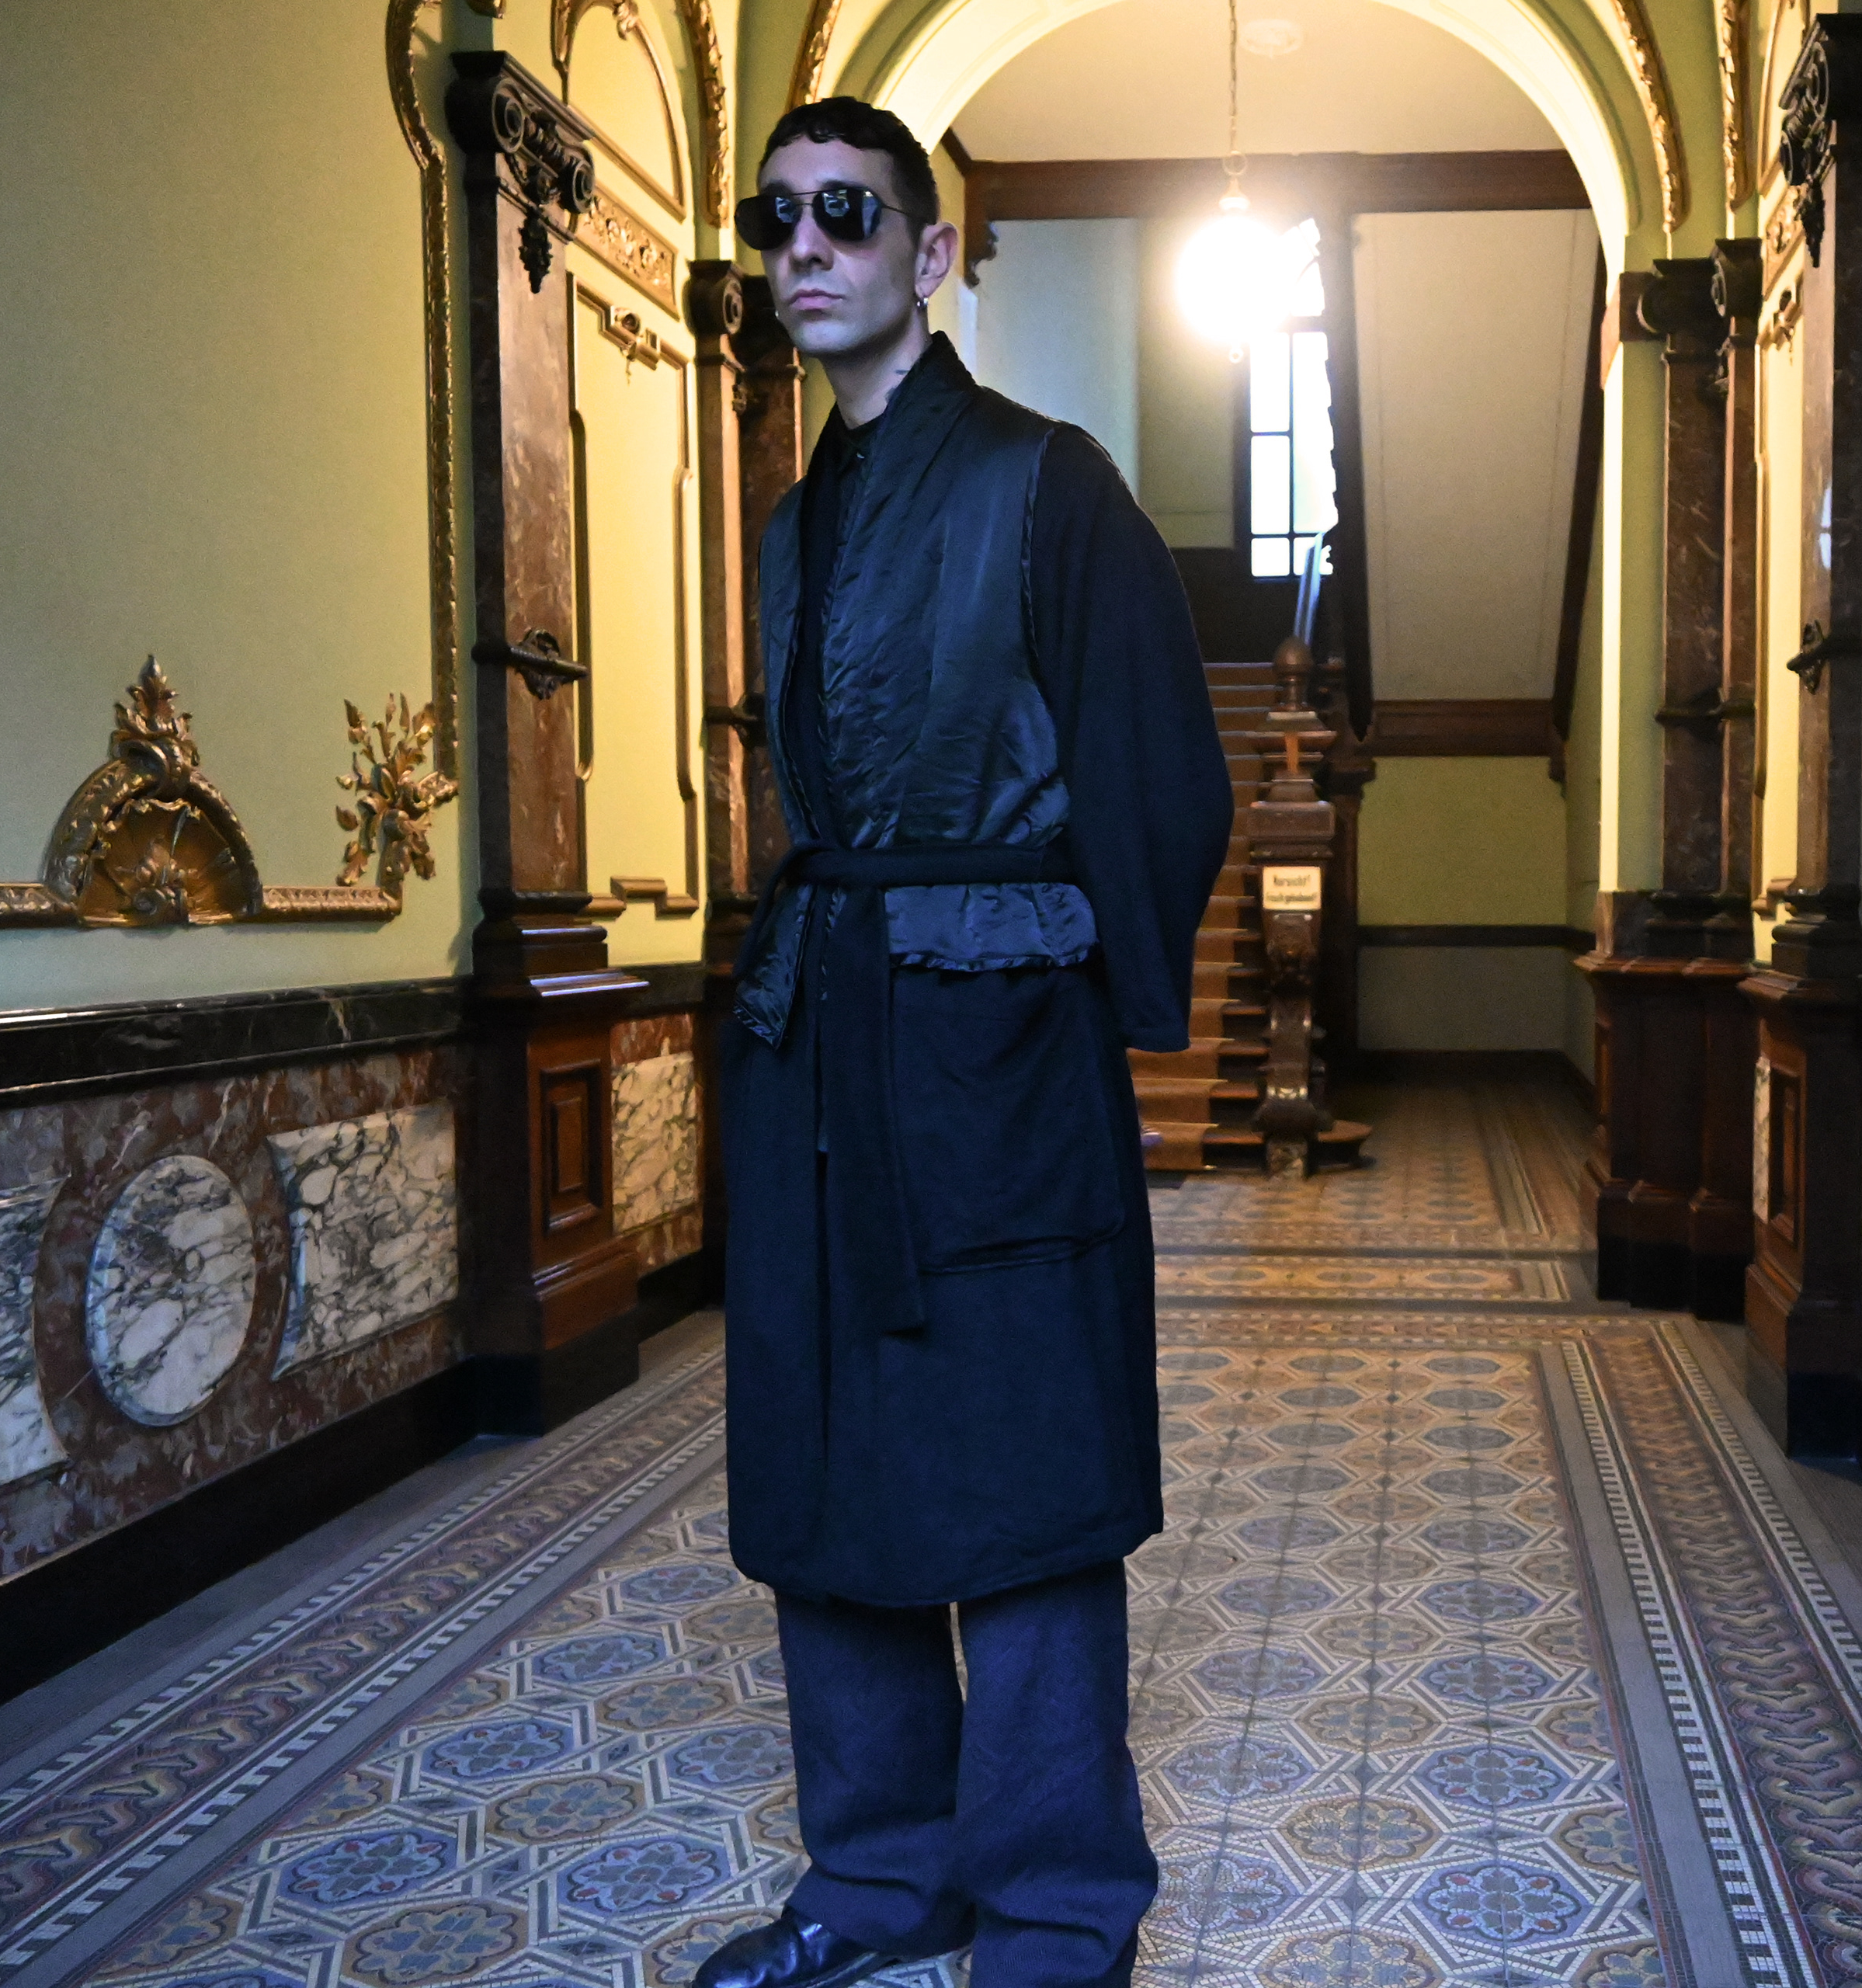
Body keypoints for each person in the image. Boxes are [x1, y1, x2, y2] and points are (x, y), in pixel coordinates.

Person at [690, 97, 1231, 1988]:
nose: (805, 247)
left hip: (997, 1045)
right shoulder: (790, 525)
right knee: (826, 1453)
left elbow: (1161, 770)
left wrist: (1084, 1003)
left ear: (927, 256)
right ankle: (876, 1877)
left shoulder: (1049, 482)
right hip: (821, 1041)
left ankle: (1061, 1904)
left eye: (848, 214)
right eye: (777, 218)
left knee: (1024, 1463)